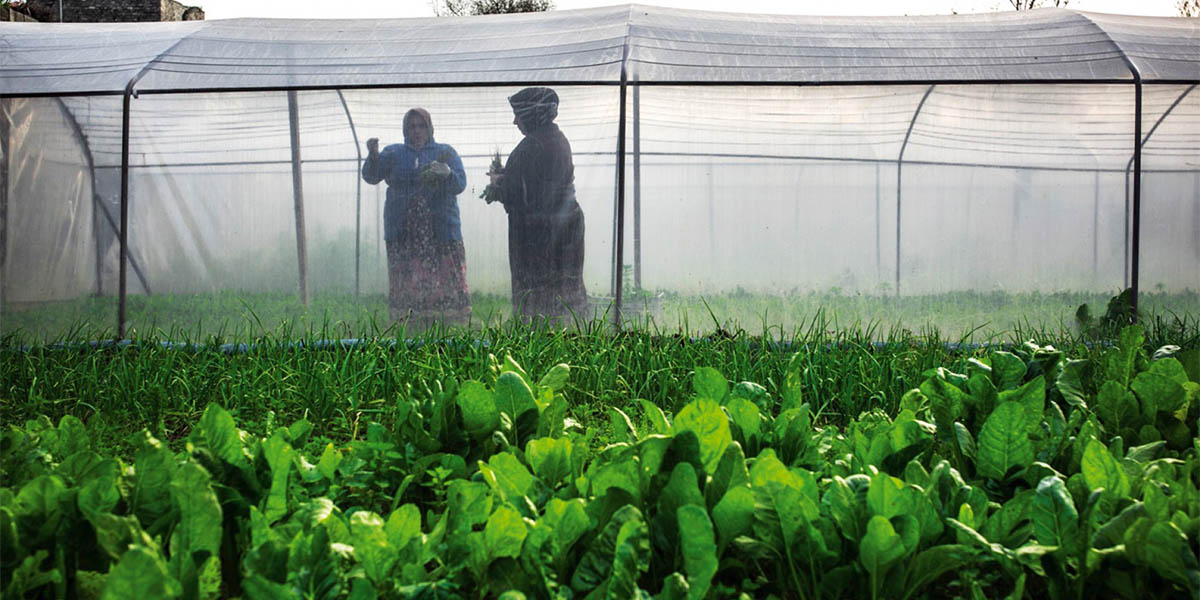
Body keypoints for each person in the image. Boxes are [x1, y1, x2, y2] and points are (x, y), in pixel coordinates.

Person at [362, 108, 470, 329]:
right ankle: (409, 323)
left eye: (421, 126)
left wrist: (448, 173)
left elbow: (460, 184)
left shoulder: (445, 152)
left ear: (430, 128)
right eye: (412, 126)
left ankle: (447, 321)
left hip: (440, 229)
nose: (417, 131)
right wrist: (373, 157)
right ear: (405, 130)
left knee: (443, 271)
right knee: (407, 273)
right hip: (404, 230)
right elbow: (372, 177)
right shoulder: (393, 153)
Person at [488, 87, 588, 323]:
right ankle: (571, 332)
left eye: (519, 115)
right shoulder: (558, 139)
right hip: (565, 223)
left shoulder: (531, 146)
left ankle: (537, 339)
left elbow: (520, 197)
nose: (515, 121)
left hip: (536, 233)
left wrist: (498, 185)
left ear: (534, 114)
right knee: (565, 285)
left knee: (537, 292)